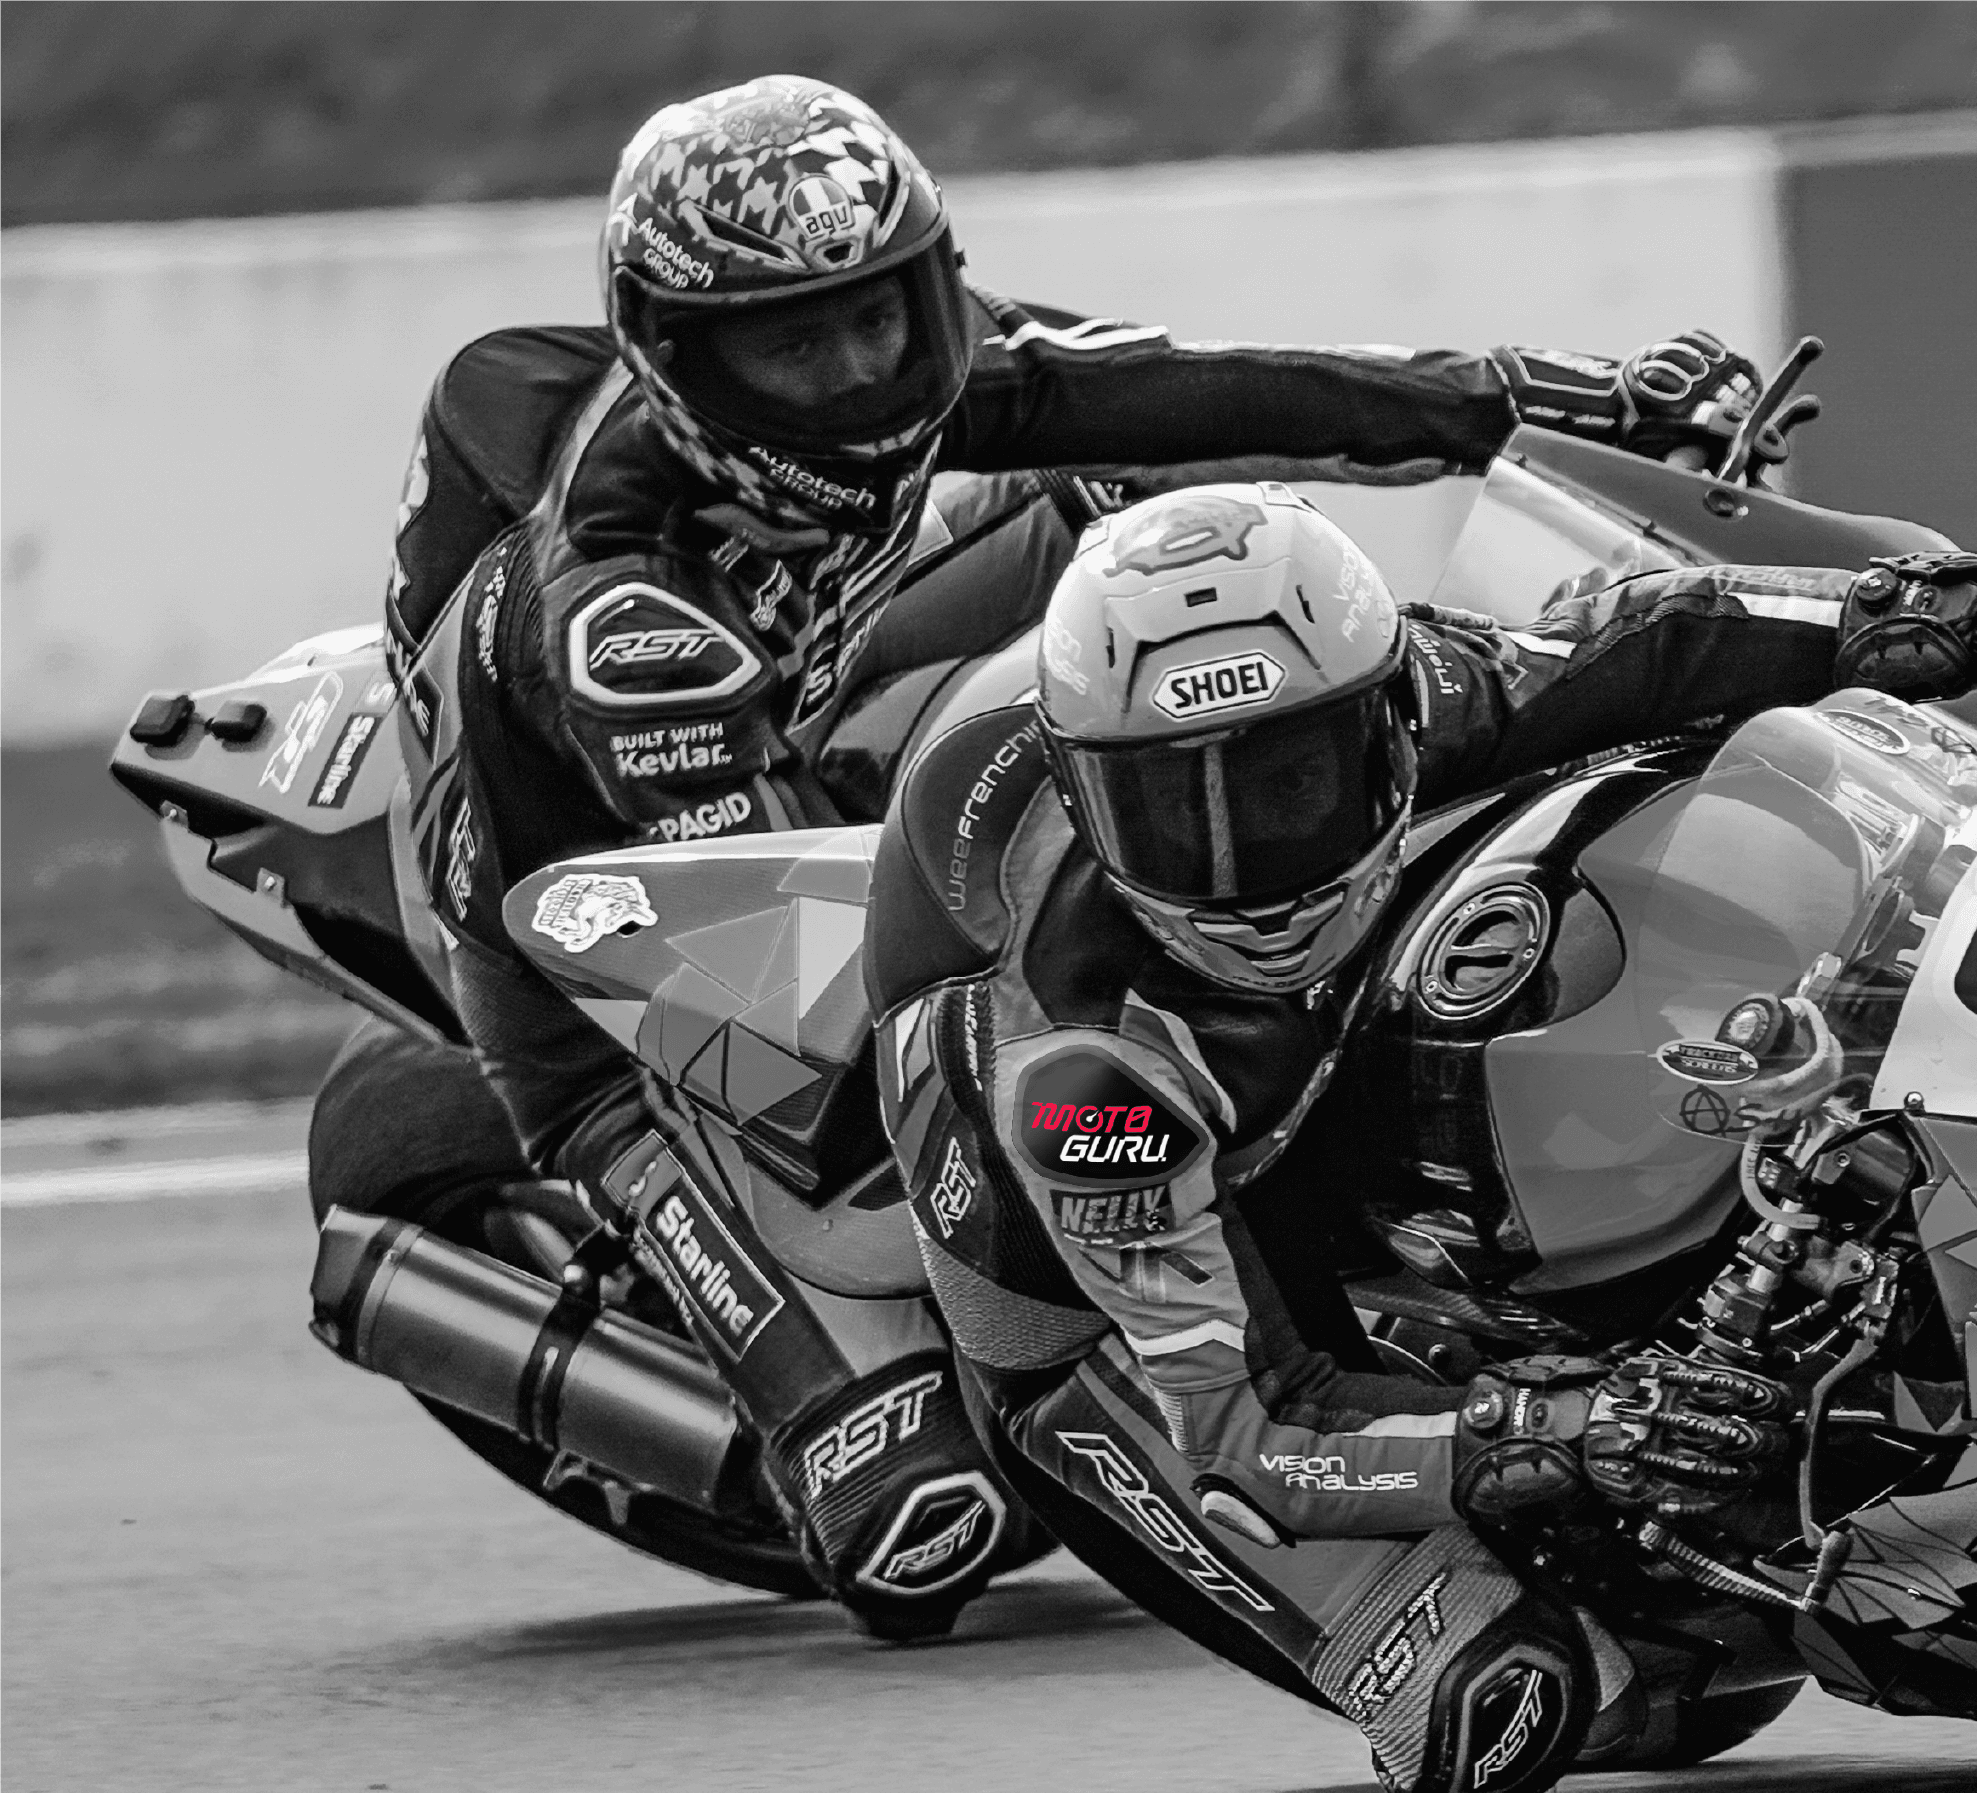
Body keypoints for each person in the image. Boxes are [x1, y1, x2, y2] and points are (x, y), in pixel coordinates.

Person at [313, 71, 1768, 1640]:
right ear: (675, 358)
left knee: (1131, 515)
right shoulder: (626, 619)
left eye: (881, 318)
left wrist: (1552, 399)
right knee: (913, 1513)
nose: (860, 376)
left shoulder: (944, 368)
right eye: (794, 345)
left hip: (802, 715)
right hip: (595, 946)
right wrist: (1071, 1017)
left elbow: (1223, 394)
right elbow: (768, 961)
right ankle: (815, 1416)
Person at [865, 480, 1977, 1793]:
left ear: (1382, 724)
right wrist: (1558, 1426)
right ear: (1090, 803)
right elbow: (1247, 1431)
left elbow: (1647, 640)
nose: (1243, 861)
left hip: (1292, 1051)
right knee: (1527, 1701)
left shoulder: (1414, 688)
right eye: (1173, 817)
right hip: (1105, 1331)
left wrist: (1959, 611)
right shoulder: (1080, 1073)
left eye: (1291, 784)